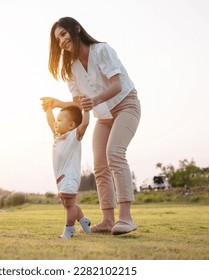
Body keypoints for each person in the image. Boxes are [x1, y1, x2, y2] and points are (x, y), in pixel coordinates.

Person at [43, 17, 141, 235]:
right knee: (99, 166)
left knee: (114, 153)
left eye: (63, 34)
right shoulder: (71, 69)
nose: (62, 42)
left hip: (126, 104)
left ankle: (126, 218)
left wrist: (95, 100)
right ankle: (108, 220)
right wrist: (59, 104)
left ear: (76, 29)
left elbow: (117, 85)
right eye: (57, 40)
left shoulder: (101, 50)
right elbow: (79, 105)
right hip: (104, 116)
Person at [41, 102, 91, 238]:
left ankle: (69, 230)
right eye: (56, 120)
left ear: (71, 125)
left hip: (69, 176)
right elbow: (51, 123)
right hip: (60, 178)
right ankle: (84, 220)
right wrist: (48, 109)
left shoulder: (74, 136)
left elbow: (85, 124)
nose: (56, 123)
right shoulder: (58, 137)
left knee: (69, 205)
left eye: (60, 120)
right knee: (68, 203)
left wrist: (86, 110)